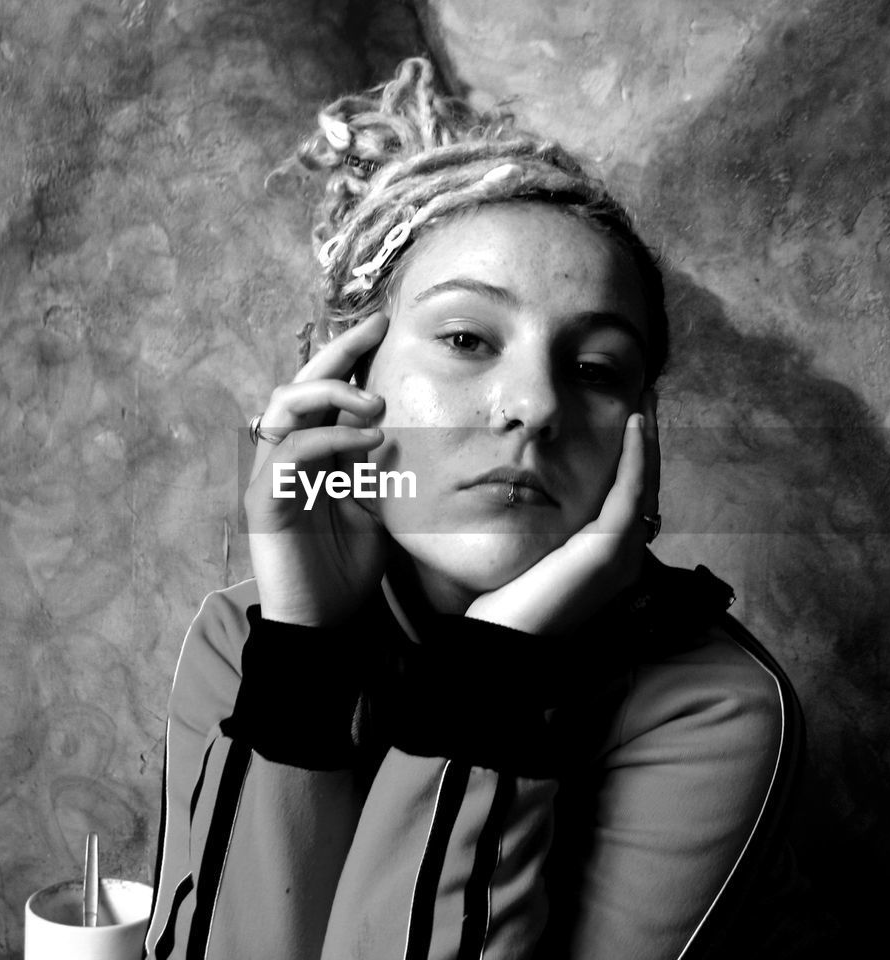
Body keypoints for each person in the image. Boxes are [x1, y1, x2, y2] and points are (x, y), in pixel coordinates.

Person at [143, 57, 804, 960]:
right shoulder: (240, 643)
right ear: (345, 373)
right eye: (465, 338)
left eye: (596, 369)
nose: (534, 404)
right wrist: (301, 663)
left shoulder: (708, 707)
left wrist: (494, 675)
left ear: (639, 433)